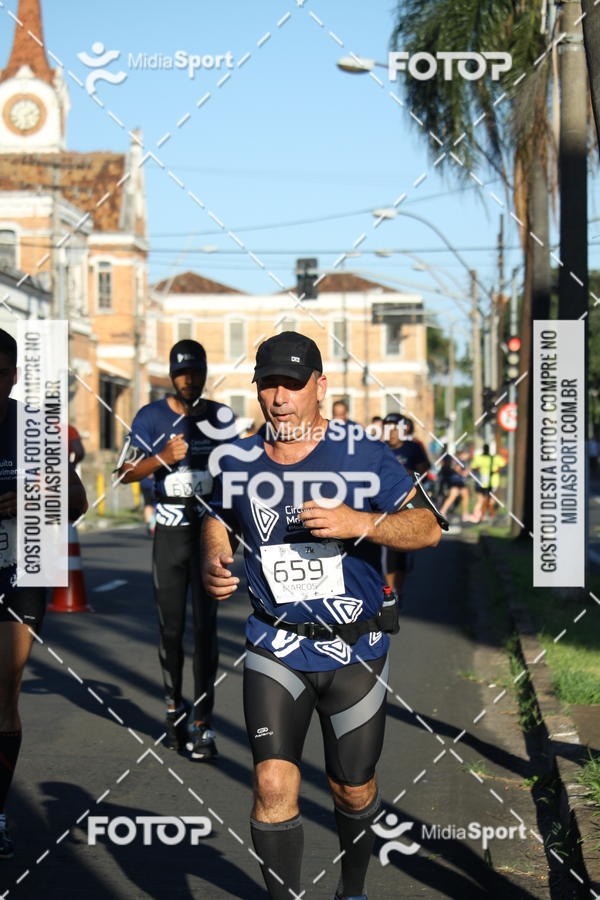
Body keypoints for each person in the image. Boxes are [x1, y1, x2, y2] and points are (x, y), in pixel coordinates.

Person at [202, 331, 443, 900]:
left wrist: (360, 522)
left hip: (355, 649)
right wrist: (216, 554)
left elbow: (429, 528)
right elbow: (217, 513)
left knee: (352, 787)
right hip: (275, 645)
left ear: (320, 386)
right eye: (268, 384)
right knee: (271, 783)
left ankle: (351, 888)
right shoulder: (237, 458)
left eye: (292, 384)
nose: (279, 397)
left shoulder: (363, 455)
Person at [118, 339, 233, 760]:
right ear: (171, 376)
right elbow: (124, 473)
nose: (189, 380)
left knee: (205, 631)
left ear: (205, 373)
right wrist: (162, 458)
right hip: (169, 536)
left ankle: (203, 723)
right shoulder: (151, 417)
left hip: (207, 538)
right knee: (171, 629)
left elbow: (236, 474)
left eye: (196, 372)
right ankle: (173, 709)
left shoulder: (220, 417)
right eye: (182, 374)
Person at [0, 328, 87, 859]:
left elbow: (76, 501)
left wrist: (34, 499)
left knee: (4, 693)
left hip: (21, 573)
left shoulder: (35, 429)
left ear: (12, 376)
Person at [381, 413, 431, 595]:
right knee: (387, 548)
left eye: (394, 428)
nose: (391, 432)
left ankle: (399, 591)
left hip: (408, 504)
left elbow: (424, 473)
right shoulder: (379, 448)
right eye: (387, 428)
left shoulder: (413, 448)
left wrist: (409, 473)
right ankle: (390, 593)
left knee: (402, 549)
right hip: (385, 504)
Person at [469, 443, 506, 522]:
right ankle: (481, 515)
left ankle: (486, 515)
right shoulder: (480, 457)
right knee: (483, 500)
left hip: (491, 482)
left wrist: (496, 471)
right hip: (482, 482)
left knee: (487, 500)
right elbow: (473, 467)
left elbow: (503, 464)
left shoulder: (494, 458)